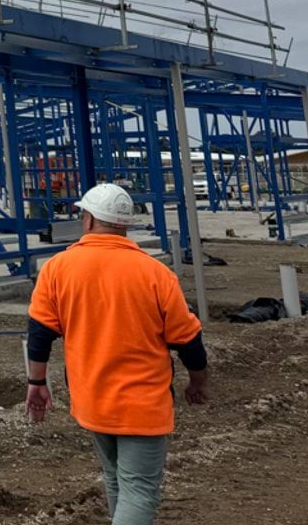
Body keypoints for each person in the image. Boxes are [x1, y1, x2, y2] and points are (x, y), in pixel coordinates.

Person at [26, 183, 209, 525]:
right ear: (124, 224)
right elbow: (188, 339)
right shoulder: (155, 273)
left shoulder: (58, 268)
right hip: (142, 402)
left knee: (115, 479)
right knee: (139, 489)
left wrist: (36, 381)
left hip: (91, 397)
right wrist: (198, 380)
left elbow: (39, 332)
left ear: (89, 219)